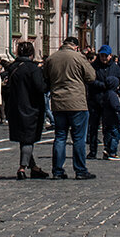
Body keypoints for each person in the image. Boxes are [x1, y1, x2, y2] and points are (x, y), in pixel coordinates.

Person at [43, 37, 96, 179]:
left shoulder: (52, 58)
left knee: (60, 136)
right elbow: (91, 77)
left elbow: (45, 77)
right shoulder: (79, 57)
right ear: (76, 46)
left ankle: (57, 171)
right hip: (77, 102)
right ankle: (80, 170)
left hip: (58, 102)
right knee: (78, 138)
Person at [4, 41, 48, 179]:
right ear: (32, 53)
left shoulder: (13, 67)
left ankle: (33, 167)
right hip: (31, 107)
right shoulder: (32, 68)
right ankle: (22, 168)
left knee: (24, 139)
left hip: (14, 106)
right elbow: (40, 87)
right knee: (28, 138)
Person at [87, 46, 120, 159]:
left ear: (110, 56)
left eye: (106, 56)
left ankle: (107, 150)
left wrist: (119, 91)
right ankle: (92, 151)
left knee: (108, 127)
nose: (103, 58)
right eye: (101, 55)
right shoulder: (94, 66)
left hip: (108, 103)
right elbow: (90, 81)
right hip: (95, 100)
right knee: (93, 127)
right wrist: (102, 85)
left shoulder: (115, 67)